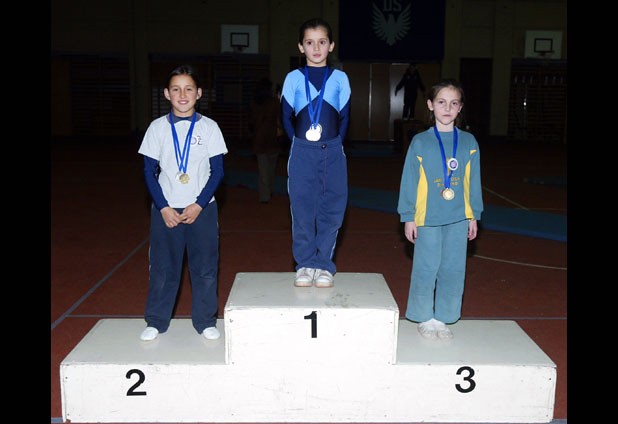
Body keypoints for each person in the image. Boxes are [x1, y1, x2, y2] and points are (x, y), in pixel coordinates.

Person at [137, 64, 228, 341]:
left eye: (189, 89)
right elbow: (148, 171)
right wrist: (163, 207)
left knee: (205, 268)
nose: (183, 94)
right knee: (163, 268)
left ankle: (205, 321)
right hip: (166, 210)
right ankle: (156, 321)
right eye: (176, 89)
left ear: (199, 93)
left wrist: (199, 204)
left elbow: (218, 171)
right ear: (166, 94)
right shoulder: (156, 128)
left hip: (202, 209)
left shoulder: (210, 128)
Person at [397, 78, 483, 340]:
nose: (447, 108)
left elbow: (473, 182)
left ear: (460, 108)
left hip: (458, 217)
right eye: (442, 102)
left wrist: (473, 215)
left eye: (454, 103)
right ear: (430, 105)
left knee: (453, 269)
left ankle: (444, 316)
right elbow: (409, 180)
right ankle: (424, 316)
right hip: (428, 217)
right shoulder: (420, 142)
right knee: (426, 267)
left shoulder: (469, 142)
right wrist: (408, 216)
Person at [280, 17, 351, 288]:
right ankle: (305, 263)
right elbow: (285, 116)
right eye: (310, 43)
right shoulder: (293, 78)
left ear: (331, 45)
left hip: (332, 150)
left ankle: (323, 265)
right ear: (301, 47)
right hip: (302, 150)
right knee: (302, 208)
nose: (316, 48)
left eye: (322, 42)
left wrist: (336, 144)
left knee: (332, 208)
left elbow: (345, 117)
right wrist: (298, 144)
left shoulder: (340, 78)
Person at [248, 77, 281, 203]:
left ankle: (265, 195)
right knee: (271, 170)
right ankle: (267, 192)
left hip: (259, 140)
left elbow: (251, 122)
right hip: (272, 139)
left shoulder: (254, 104)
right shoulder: (274, 103)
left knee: (263, 171)